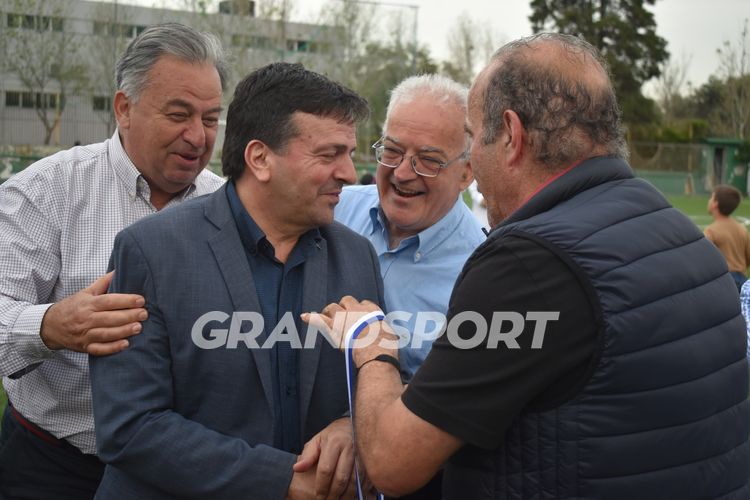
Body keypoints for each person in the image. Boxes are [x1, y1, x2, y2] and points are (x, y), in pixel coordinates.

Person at [306, 33, 750, 499]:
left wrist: (373, 347)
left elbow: (394, 462)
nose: (475, 163)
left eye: (475, 137)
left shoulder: (529, 262)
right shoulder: (677, 231)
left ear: (511, 136)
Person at [89, 62, 384, 499]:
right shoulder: (152, 251)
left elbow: (374, 378)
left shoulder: (357, 257)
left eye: (349, 153)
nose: (348, 172)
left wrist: (352, 425)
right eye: (329, 155)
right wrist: (281, 480)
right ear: (260, 158)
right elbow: (130, 426)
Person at [0, 23, 227, 499]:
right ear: (124, 108)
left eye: (210, 119)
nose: (197, 136)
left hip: (184, 467)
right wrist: (50, 325)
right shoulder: (46, 191)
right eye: (179, 114)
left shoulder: (229, 207)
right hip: (53, 465)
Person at [335, 74, 485, 379]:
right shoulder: (334, 211)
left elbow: (450, 397)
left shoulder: (480, 275)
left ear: (466, 173)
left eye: (429, 160)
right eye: (392, 151)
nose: (403, 173)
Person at [704, 184, 750, 291]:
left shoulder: (711, 231)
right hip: (742, 280)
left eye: (711, 197)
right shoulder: (742, 229)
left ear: (715, 204)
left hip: (723, 280)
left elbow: (704, 258)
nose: (709, 200)